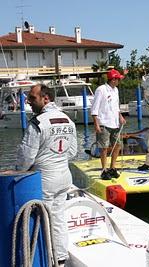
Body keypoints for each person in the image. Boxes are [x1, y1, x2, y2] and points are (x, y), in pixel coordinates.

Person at [16, 84, 77, 265]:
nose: (28, 101)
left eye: (32, 98)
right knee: (58, 218)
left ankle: (43, 259)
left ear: (46, 98)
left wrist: (18, 171)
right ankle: (60, 258)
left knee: (41, 221)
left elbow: (25, 158)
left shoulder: (38, 123)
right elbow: (72, 152)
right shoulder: (67, 120)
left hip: (44, 180)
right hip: (64, 176)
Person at [91, 69, 126, 180]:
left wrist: (120, 117)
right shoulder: (101, 90)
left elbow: (116, 107)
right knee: (104, 147)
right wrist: (96, 124)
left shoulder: (116, 90)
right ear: (113, 79)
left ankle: (112, 167)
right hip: (104, 123)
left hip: (114, 123)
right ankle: (104, 169)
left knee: (118, 145)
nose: (119, 81)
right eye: (118, 79)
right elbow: (94, 108)